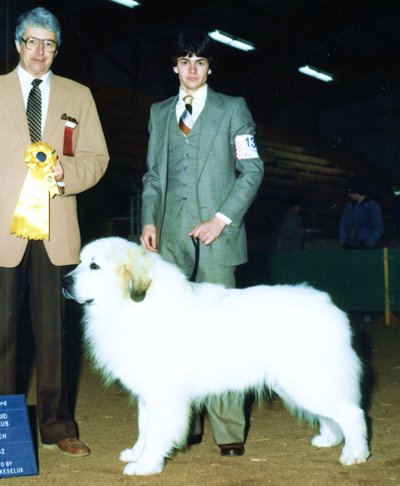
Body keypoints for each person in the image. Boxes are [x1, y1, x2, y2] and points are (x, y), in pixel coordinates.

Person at [0, 7, 109, 457]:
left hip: (56, 233)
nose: (39, 52)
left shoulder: (80, 95)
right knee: (1, 338)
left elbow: (97, 159)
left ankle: (57, 427)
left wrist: (64, 172)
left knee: (53, 336)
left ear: (57, 48)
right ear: (17, 44)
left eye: (49, 44)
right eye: (32, 42)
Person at [140, 29, 264, 457]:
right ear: (175, 66)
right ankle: (184, 424)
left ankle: (228, 431)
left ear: (210, 68)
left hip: (217, 240)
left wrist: (221, 219)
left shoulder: (234, 109)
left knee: (221, 337)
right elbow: (154, 178)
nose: (192, 69)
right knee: (172, 336)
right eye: (185, 61)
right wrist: (148, 222)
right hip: (169, 242)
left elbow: (251, 170)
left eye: (201, 62)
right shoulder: (159, 113)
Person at [339, 178, 383, 249]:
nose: (348, 194)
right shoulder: (349, 206)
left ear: (355, 191)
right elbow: (343, 223)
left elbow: (378, 228)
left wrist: (369, 244)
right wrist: (343, 241)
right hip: (350, 243)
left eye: (349, 191)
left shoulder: (373, 205)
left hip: (364, 244)